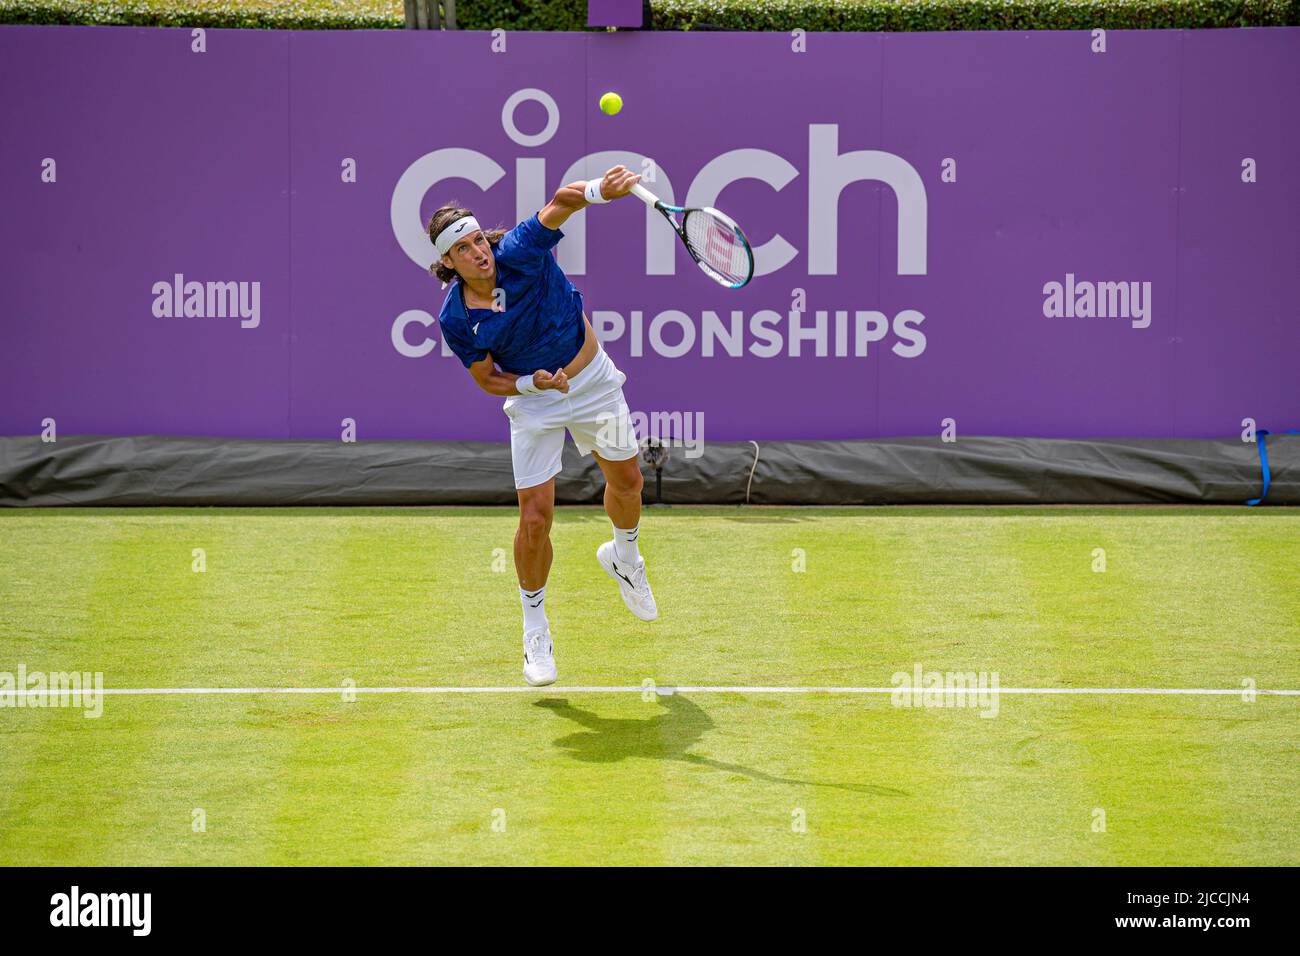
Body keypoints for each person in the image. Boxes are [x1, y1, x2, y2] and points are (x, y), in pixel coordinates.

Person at [428, 165, 658, 686]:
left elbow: (562, 199)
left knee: (629, 483)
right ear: (447, 261)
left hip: (593, 380)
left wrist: (602, 191)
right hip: (535, 403)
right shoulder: (456, 318)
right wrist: (532, 385)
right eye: (461, 249)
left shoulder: (517, 250)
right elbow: (487, 378)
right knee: (535, 518)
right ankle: (535, 626)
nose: (477, 252)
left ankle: (624, 557)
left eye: (475, 239)